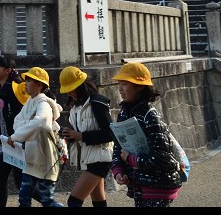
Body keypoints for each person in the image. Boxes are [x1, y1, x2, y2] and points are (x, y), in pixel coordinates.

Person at [110, 62, 182, 208]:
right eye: (119, 84)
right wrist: (118, 171)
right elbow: (118, 147)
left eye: (124, 84)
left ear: (140, 86)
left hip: (157, 187)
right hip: (140, 186)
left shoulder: (151, 115)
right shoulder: (123, 113)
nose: (120, 89)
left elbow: (161, 158)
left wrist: (131, 159)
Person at [6, 67, 64, 208]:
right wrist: (28, 123)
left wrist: (15, 137)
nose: (25, 84)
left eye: (29, 81)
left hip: (46, 158)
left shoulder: (43, 104)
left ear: (39, 85)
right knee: (24, 198)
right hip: (32, 157)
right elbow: (16, 122)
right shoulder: (29, 103)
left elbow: (40, 123)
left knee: (47, 200)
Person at [58, 66, 115, 208]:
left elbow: (110, 134)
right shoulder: (75, 108)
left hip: (100, 158)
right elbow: (81, 135)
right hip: (90, 157)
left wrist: (79, 135)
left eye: (71, 89)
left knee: (74, 201)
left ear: (80, 86)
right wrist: (70, 135)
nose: (70, 94)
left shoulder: (97, 103)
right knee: (98, 201)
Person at [0, 55, 29, 208]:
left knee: (20, 181)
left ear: (8, 70)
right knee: (0, 179)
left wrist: (17, 138)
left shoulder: (14, 89)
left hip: (16, 142)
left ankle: (50, 202)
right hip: (6, 143)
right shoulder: (1, 88)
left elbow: (21, 115)